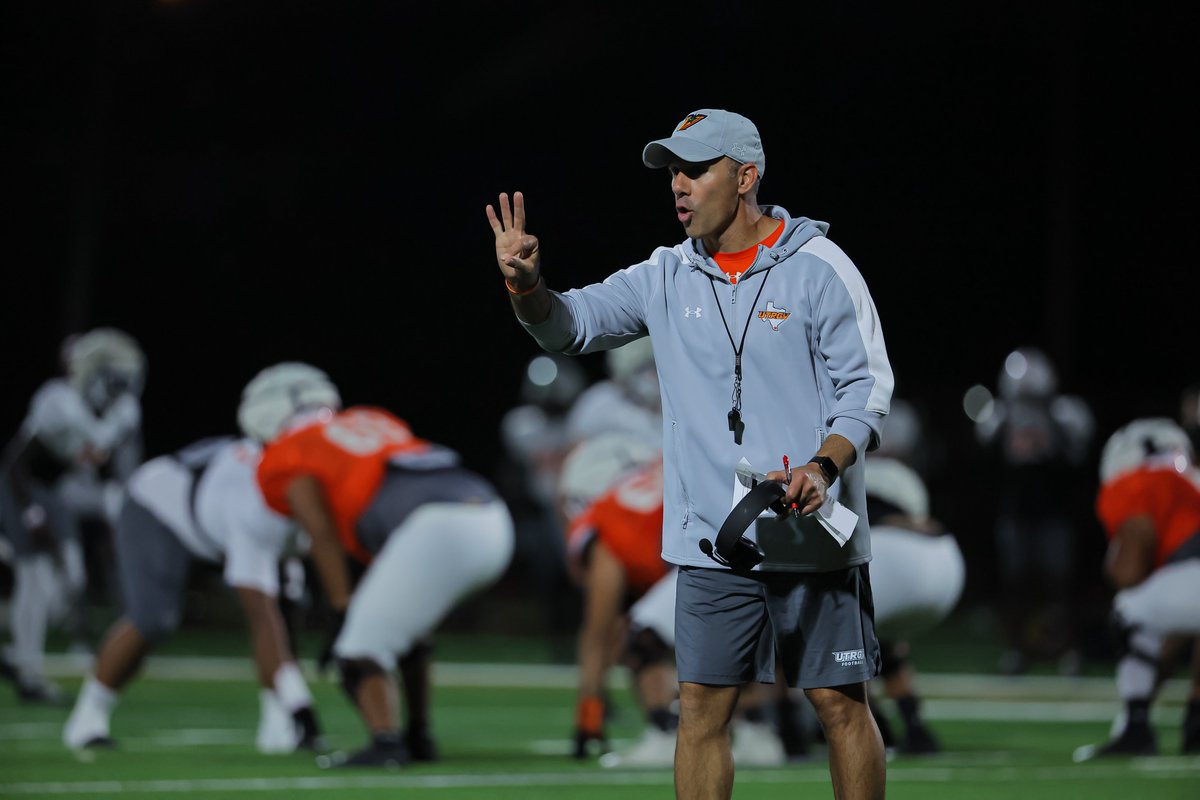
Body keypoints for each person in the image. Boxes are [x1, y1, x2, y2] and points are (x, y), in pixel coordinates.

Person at [487, 107, 892, 799]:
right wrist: (527, 287)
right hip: (714, 542)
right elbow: (571, 327)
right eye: (672, 170)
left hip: (810, 534)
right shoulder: (665, 274)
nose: (678, 184)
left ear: (745, 177)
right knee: (701, 711)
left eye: (695, 169)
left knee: (838, 704)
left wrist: (824, 466)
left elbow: (867, 390)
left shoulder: (822, 269)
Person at [242, 362, 515, 768]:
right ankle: (419, 736)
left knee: (357, 649)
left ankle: (386, 744)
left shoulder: (287, 453)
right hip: (490, 514)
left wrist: (339, 607)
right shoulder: (371, 419)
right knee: (403, 633)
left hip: (436, 526)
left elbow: (321, 531)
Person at [60, 434, 326, 753]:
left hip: (212, 520)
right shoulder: (251, 502)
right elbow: (259, 615)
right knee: (153, 618)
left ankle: (276, 725)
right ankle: (87, 718)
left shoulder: (294, 485)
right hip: (158, 508)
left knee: (286, 610)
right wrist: (300, 702)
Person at [0, 328, 145, 703]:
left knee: (70, 582)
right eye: (115, 380)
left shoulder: (123, 412)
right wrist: (31, 513)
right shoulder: (59, 401)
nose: (122, 388)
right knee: (37, 580)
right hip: (24, 489)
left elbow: (116, 464)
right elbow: (17, 461)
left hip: (56, 495)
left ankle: (15, 655)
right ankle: (29, 675)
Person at [1073, 418, 1200, 760]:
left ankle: (1136, 727)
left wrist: (1117, 565)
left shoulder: (1130, 483)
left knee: (1127, 610)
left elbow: (1131, 573)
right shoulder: (1189, 483)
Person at [556, 432, 678, 767]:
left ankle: (667, 732)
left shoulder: (603, 526)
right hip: (747, 529)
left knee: (642, 635)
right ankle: (770, 726)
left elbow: (597, 635)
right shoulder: (648, 481)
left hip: (709, 551)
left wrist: (588, 718)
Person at [974, 346, 1094, 675]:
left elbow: (1077, 457)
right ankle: (1018, 649)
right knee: (1016, 585)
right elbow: (984, 459)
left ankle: (1067, 649)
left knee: (1059, 584)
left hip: (1054, 510)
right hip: (1016, 510)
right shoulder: (1000, 415)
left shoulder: (1065, 413)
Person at [863, 454, 965, 755]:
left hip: (887, 555)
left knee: (842, 645)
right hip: (946, 558)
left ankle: (874, 725)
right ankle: (915, 726)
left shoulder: (840, 477)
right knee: (887, 645)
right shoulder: (901, 486)